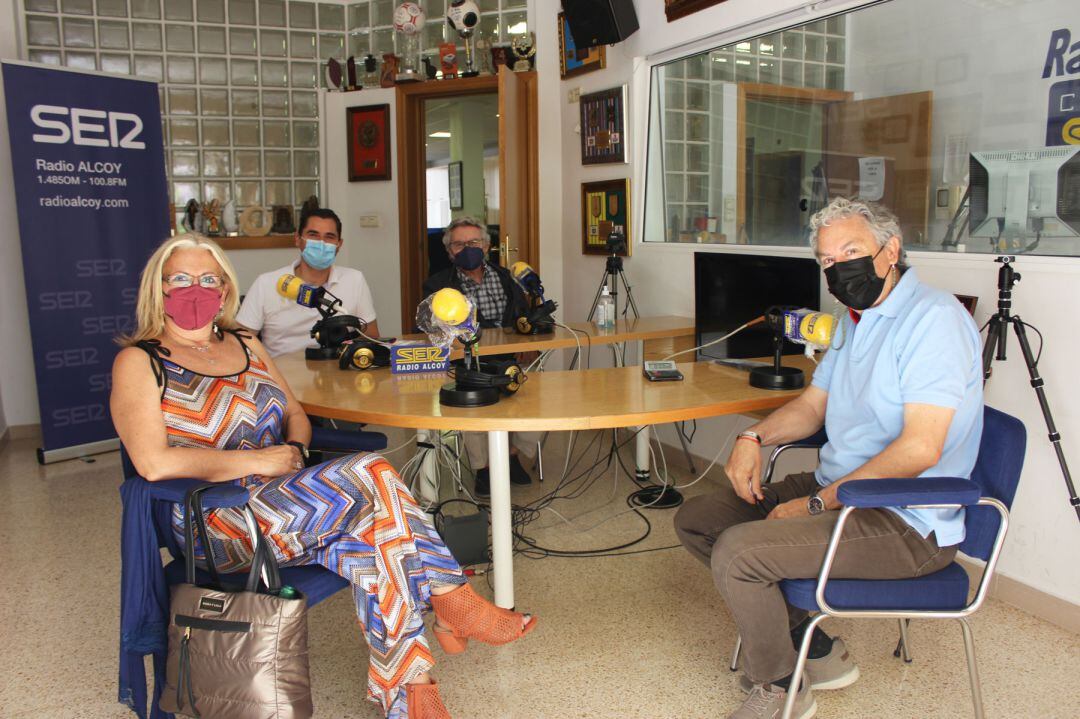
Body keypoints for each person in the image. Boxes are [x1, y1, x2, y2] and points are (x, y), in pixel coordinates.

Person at [111, 234, 537, 719]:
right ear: (158, 288)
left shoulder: (245, 343)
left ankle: (413, 696)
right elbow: (153, 463)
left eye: (209, 279)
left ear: (226, 290)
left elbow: (295, 414)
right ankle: (450, 597)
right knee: (371, 471)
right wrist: (257, 462)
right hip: (218, 522)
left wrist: (292, 448)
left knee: (381, 544)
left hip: (290, 505)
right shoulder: (140, 362)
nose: (197, 289)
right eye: (181, 280)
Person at [674, 198, 983, 719]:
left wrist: (817, 504)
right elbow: (814, 405)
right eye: (827, 261)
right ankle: (816, 647)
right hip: (839, 489)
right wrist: (754, 439)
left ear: (891, 250)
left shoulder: (935, 321)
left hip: (906, 521)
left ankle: (781, 689)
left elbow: (920, 449)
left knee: (740, 553)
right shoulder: (852, 319)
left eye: (852, 251)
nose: (838, 269)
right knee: (700, 520)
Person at [422, 216, 537, 497]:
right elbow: (432, 329)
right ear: (449, 251)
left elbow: (524, 318)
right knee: (470, 395)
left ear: (487, 246)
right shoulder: (438, 285)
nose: (467, 249)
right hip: (469, 358)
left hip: (511, 355)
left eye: (474, 242)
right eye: (459, 244)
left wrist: (529, 340)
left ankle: (511, 455)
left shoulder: (507, 277)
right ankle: (484, 468)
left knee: (534, 390)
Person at [237, 207, 381, 357]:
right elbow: (240, 342)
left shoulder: (354, 279)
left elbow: (371, 336)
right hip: (283, 374)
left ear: (339, 244)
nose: (321, 243)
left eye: (329, 237)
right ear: (298, 239)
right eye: (313, 235)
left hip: (338, 373)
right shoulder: (266, 283)